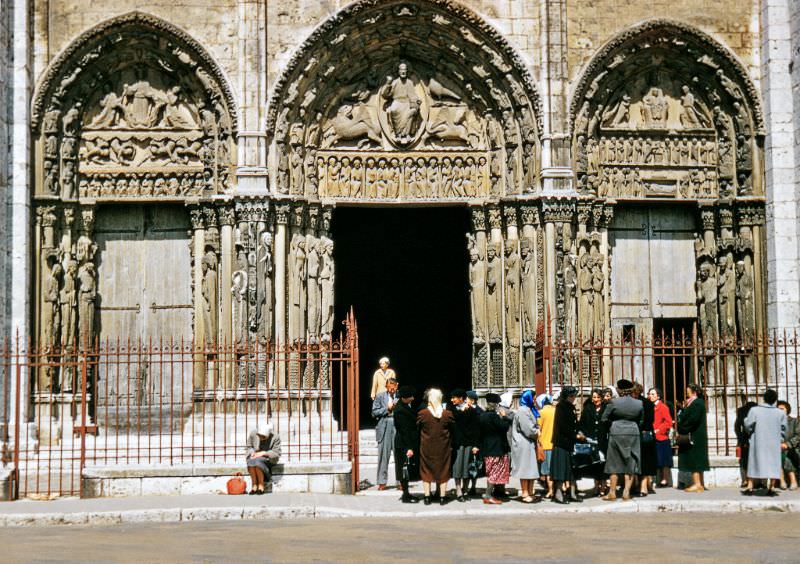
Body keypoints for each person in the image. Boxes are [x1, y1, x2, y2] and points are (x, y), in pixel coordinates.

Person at [601, 379, 643, 501]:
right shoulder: (638, 403)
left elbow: (604, 418)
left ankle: (612, 492)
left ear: (619, 389)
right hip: (633, 433)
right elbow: (641, 420)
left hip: (616, 432)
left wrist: (613, 424)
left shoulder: (614, 403)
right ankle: (626, 492)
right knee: (631, 462)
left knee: (613, 463)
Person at [743, 389, 787, 496]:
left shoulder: (754, 410)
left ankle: (750, 486)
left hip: (758, 440)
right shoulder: (780, 413)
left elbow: (748, 425)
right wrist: (780, 440)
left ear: (764, 398)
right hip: (774, 441)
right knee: (773, 463)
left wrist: (747, 425)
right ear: (775, 400)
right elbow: (784, 429)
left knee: (754, 462)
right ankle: (771, 488)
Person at [417, 388, 455, 505]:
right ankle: (442, 497)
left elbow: (417, 429)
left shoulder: (422, 414)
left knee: (426, 470)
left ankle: (427, 497)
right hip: (443, 447)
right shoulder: (447, 414)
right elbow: (453, 429)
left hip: (426, 447)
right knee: (443, 470)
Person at [550, 386, 585, 504]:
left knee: (571, 471)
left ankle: (573, 494)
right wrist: (575, 435)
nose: (574, 397)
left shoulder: (570, 407)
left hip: (569, 443)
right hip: (561, 443)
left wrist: (578, 432)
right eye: (572, 395)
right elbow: (563, 426)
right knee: (560, 471)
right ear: (568, 396)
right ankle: (558, 494)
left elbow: (574, 424)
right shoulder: (561, 407)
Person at [447, 388, 480, 502]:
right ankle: (458, 490)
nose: (452, 400)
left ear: (461, 398)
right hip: (457, 442)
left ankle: (465, 489)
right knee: (457, 467)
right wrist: (462, 411)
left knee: (467, 466)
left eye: (454, 398)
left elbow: (476, 428)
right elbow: (455, 417)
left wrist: (476, 444)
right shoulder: (451, 409)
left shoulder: (472, 410)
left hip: (469, 442)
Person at [479, 392, 513, 504]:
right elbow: (504, 427)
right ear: (496, 405)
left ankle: (491, 492)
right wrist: (504, 417)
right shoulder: (494, 416)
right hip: (496, 448)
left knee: (490, 471)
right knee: (494, 472)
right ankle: (488, 495)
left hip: (487, 447)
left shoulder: (483, 415)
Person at [677, 383, 710, 493]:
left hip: (694, 435)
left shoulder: (696, 404)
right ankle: (700, 483)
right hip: (696, 434)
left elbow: (692, 419)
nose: (687, 393)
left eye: (688, 392)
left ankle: (697, 484)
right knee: (697, 459)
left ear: (694, 392)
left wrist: (682, 428)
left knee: (694, 459)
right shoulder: (695, 403)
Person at [510, 390, 541, 503]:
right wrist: (537, 431)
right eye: (533, 398)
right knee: (525, 469)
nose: (534, 400)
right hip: (524, 444)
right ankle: (525, 493)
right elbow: (528, 429)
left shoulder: (528, 410)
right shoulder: (523, 411)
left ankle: (530, 492)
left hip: (528, 444)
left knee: (531, 469)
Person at [579, 388, 607, 496]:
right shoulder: (587, 409)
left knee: (603, 464)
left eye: (598, 397)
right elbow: (582, 423)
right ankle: (596, 486)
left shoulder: (606, 408)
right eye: (594, 397)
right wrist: (585, 435)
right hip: (591, 440)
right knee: (594, 465)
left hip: (603, 440)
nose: (596, 400)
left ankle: (603, 487)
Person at [394, 385, 420, 503]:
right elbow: (404, 430)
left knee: (407, 469)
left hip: (406, 441)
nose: (413, 398)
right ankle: (405, 495)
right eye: (410, 396)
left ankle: (407, 493)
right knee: (404, 468)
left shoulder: (404, 406)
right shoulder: (400, 410)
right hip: (403, 443)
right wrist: (409, 447)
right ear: (405, 398)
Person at [372, 377, 398, 490]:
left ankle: (401, 481)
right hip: (384, 424)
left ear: (397, 386)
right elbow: (374, 412)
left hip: (397, 426)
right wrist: (387, 409)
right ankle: (382, 482)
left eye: (394, 388)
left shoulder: (401, 396)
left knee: (399, 455)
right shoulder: (380, 396)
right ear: (386, 387)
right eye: (390, 388)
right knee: (383, 455)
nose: (392, 390)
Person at [633, 383, 657, 496]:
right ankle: (639, 485)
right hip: (641, 434)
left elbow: (649, 420)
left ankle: (643, 487)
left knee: (644, 461)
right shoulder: (643, 402)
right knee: (640, 461)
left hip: (643, 435)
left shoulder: (645, 403)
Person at [245, 423, 281, 495]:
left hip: (268, 459)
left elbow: (277, 453)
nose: (261, 438)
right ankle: (254, 485)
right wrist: (252, 452)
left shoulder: (275, 437)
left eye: (263, 437)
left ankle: (261, 486)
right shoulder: (253, 433)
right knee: (251, 460)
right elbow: (248, 447)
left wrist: (264, 453)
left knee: (258, 461)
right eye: (259, 436)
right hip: (255, 456)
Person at [649, 387, 674, 488]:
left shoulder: (663, 407)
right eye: (650, 394)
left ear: (658, 396)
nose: (650, 396)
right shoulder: (650, 407)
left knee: (664, 460)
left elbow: (668, 422)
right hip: (653, 436)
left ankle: (665, 479)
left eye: (653, 394)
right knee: (656, 459)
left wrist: (658, 430)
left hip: (661, 436)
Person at [464, 390, 484, 496]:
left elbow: (479, 431)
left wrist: (476, 445)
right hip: (467, 442)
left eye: (466, 398)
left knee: (474, 465)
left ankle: (473, 487)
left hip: (475, 443)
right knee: (467, 465)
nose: (465, 400)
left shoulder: (479, 412)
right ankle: (466, 487)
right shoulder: (466, 409)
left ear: (472, 400)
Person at [734, 399, 757, 488]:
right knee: (748, 459)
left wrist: (740, 438)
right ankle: (757, 481)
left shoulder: (742, 411)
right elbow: (737, 426)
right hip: (750, 438)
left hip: (745, 438)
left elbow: (737, 426)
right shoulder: (744, 411)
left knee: (745, 460)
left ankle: (746, 480)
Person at [536, 393, 556, 498]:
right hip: (556, 444)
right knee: (555, 469)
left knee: (548, 471)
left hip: (545, 444)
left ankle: (551, 491)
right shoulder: (556, 411)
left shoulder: (541, 413)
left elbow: (538, 430)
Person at [777, 401, 799, 490]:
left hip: (792, 448)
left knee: (786, 456)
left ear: (787, 410)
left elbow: (798, 435)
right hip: (778, 447)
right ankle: (782, 481)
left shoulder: (794, 421)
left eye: (782, 409)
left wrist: (788, 444)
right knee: (776, 456)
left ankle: (793, 480)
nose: (779, 411)